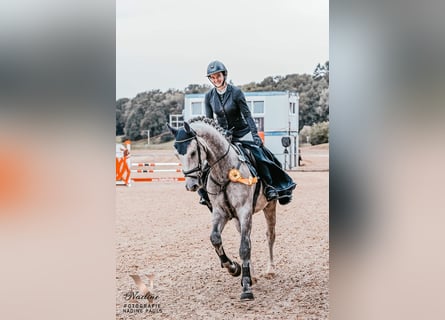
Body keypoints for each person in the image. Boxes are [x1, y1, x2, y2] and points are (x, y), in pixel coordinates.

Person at [200, 60, 296, 206]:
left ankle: (269, 187)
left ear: (224, 75)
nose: (215, 80)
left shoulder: (236, 93)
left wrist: (255, 136)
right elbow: (209, 122)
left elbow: (248, 116)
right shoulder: (209, 97)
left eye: (218, 76)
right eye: (212, 77)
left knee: (258, 154)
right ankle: (204, 192)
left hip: (242, 132)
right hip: (223, 136)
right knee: (208, 161)